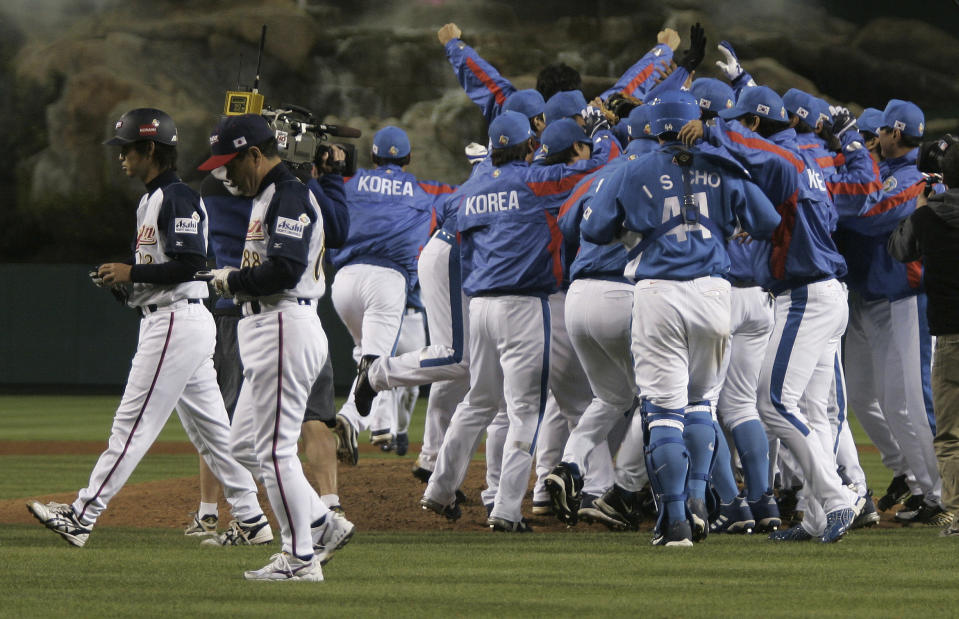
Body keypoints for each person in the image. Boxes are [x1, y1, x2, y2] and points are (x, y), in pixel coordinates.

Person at [27, 108, 270, 550]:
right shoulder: (150, 199)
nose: (121, 157)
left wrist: (132, 274)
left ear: (151, 149)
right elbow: (162, 266)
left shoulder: (176, 196)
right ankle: (253, 519)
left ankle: (82, 515)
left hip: (176, 321)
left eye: (127, 149)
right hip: (176, 321)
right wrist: (124, 280)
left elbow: (194, 265)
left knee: (132, 425)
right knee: (213, 434)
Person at [582, 90, 782, 546]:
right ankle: (699, 501)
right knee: (703, 406)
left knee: (663, 411)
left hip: (658, 294)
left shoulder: (632, 169)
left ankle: (674, 521)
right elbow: (768, 220)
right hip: (715, 293)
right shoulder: (724, 166)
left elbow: (593, 230)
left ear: (652, 127)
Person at [197, 113, 353, 581]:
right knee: (244, 444)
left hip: (284, 320)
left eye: (230, 162)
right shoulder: (269, 193)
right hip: (269, 324)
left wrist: (232, 279)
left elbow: (284, 270)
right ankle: (323, 525)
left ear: (255, 154)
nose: (223, 173)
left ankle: (301, 557)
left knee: (276, 450)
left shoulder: (288, 194)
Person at [330, 126, 455, 453]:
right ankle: (351, 418)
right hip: (387, 280)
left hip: (343, 280)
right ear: (408, 158)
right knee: (376, 364)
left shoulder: (348, 182)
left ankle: (370, 424)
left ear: (372, 156)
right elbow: (465, 198)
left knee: (364, 355)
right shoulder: (423, 190)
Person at [888, 140, 959, 535]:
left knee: (950, 436)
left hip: (948, 335)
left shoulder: (928, 217)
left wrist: (919, 209)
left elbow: (898, 250)